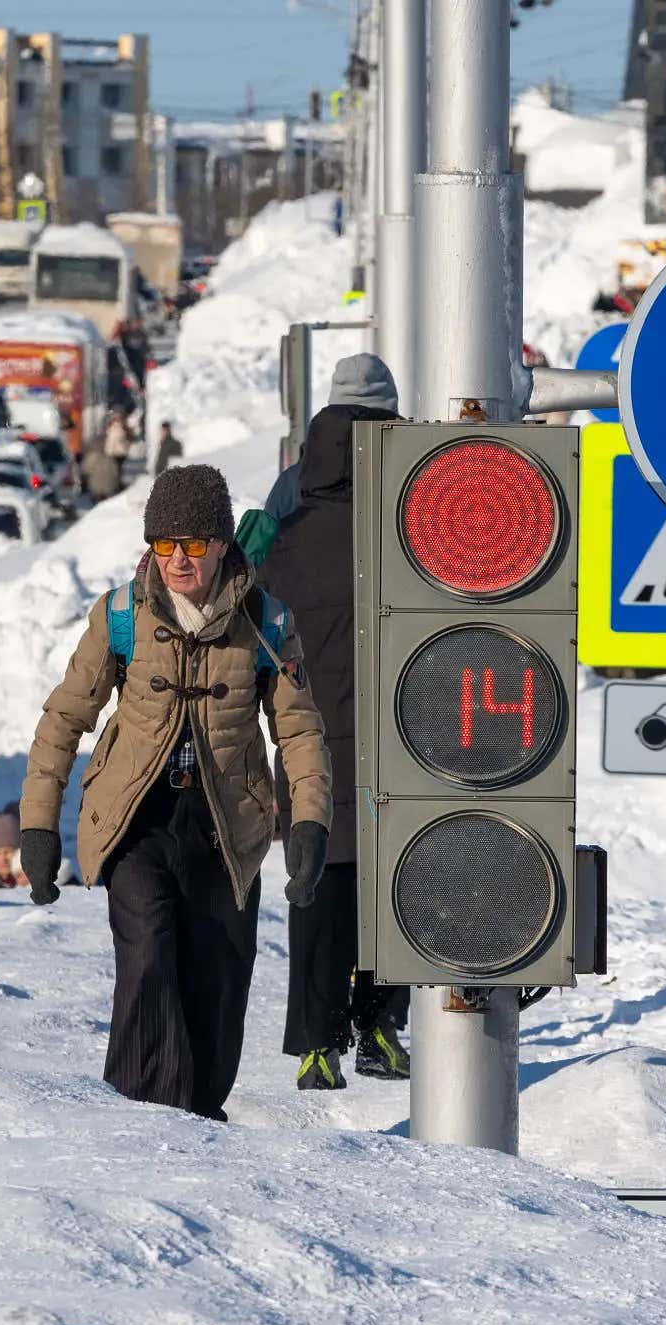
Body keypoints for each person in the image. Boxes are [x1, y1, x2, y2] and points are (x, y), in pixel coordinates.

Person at [21, 463, 333, 1120]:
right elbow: (65, 718)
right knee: (148, 953)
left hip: (225, 825)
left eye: (194, 544)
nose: (179, 560)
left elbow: (299, 728)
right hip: (137, 819)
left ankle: (197, 1117)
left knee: (217, 981)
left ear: (222, 543)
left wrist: (308, 823)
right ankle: (137, 1116)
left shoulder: (264, 622)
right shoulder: (120, 617)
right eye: (165, 545)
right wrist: (38, 827)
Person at [258, 358, 409, 1091]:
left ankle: (317, 1044)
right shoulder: (418, 500)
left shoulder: (292, 506)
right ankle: (380, 1023)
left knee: (320, 876)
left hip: (309, 727)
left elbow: (255, 617)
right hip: (405, 724)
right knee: (398, 874)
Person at [238, 354, 400, 567]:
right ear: (392, 409)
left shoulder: (293, 481)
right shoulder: (417, 472)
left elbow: (259, 565)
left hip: (298, 598)